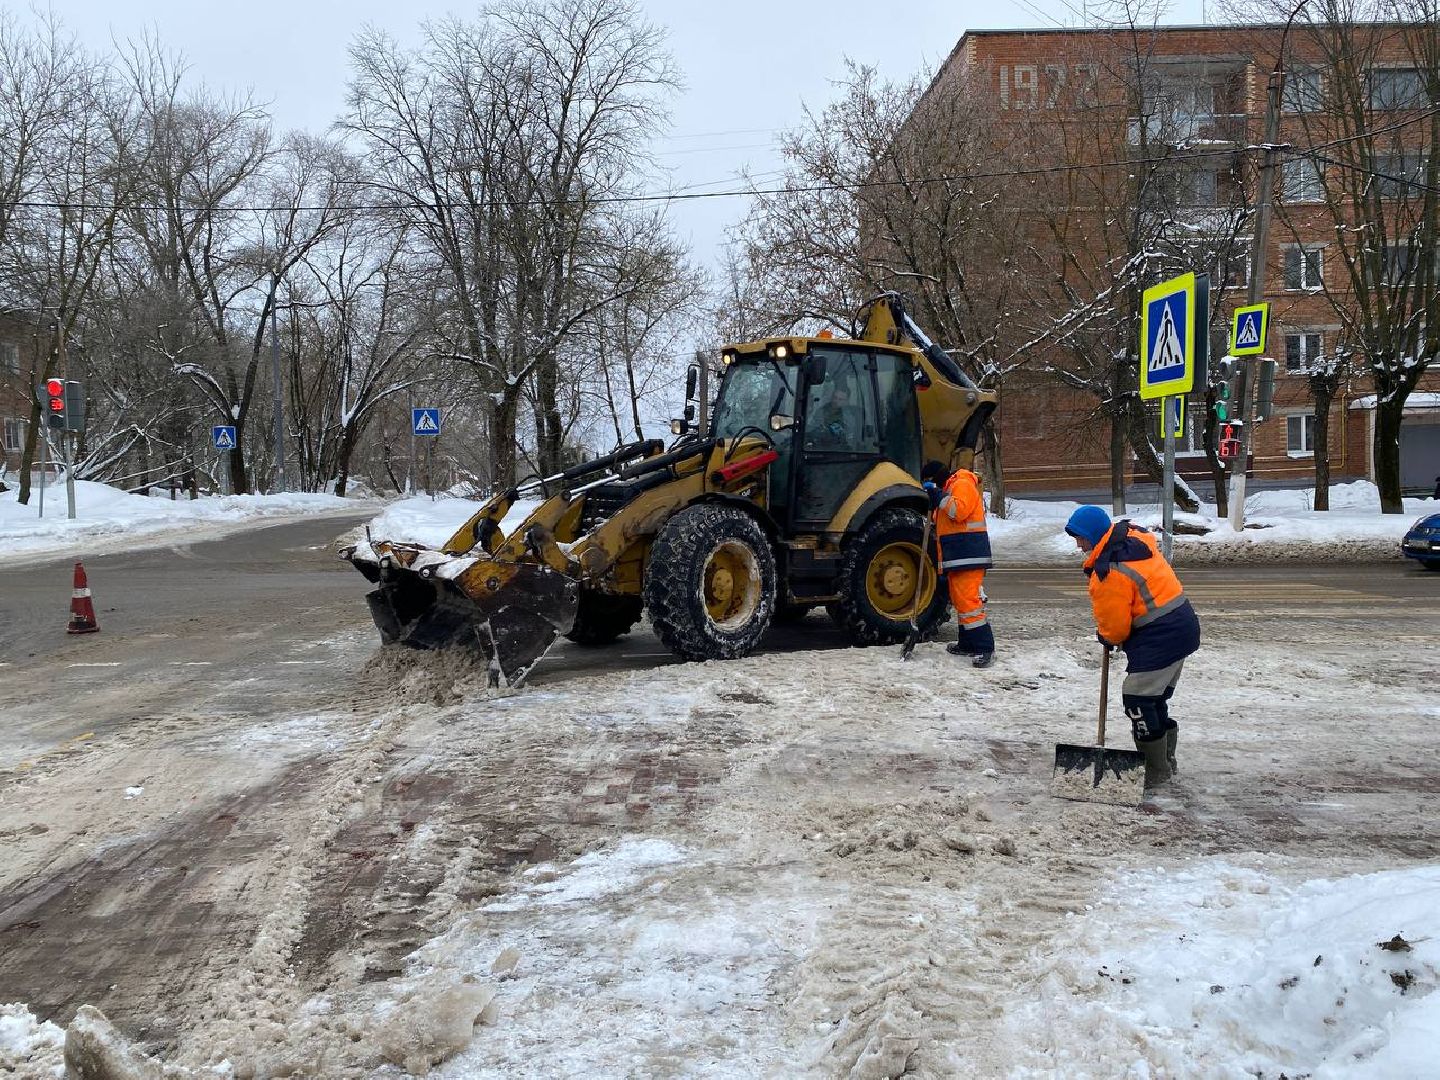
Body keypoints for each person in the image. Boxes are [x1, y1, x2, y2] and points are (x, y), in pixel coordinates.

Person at [1064, 505, 1201, 789]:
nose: (1078, 544)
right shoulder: (1133, 540)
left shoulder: (1110, 572)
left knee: (1138, 699)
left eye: (1080, 537)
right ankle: (1165, 762)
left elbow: (1115, 629)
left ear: (1092, 535)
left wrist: (1107, 636)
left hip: (1161, 634)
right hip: (1180, 623)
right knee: (1153, 698)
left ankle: (1155, 771)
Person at [923, 459, 994, 668]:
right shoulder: (949, 487)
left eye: (929, 482)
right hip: (958, 555)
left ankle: (984, 647)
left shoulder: (961, 483)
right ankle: (967, 644)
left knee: (969, 602)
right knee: (961, 601)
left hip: (969, 553)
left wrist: (938, 497)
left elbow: (959, 511)